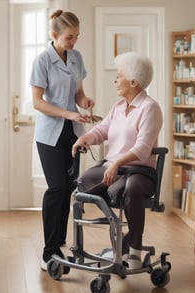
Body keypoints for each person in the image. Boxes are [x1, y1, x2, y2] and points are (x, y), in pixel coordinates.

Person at [72, 51, 163, 270]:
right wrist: (86, 138)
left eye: (119, 76)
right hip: (114, 170)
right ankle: (121, 238)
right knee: (85, 180)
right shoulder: (119, 107)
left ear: (133, 82)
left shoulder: (150, 108)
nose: (115, 80)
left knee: (128, 189)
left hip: (140, 171)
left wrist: (115, 163)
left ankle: (133, 250)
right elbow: (102, 130)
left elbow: (142, 149)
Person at [29, 9, 95, 271]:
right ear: (54, 34)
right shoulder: (42, 60)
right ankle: (49, 252)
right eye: (69, 37)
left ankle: (58, 240)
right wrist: (68, 112)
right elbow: (37, 102)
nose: (73, 42)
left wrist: (84, 102)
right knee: (56, 188)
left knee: (69, 188)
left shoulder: (76, 57)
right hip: (49, 135)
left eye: (77, 37)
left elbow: (78, 93)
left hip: (72, 132)